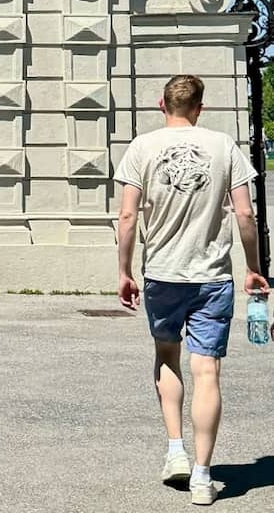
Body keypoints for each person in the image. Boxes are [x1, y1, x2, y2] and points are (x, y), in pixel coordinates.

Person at [115, 74, 270, 506]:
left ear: (161, 105)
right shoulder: (224, 147)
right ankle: (203, 476)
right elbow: (245, 214)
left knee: (167, 357)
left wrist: (124, 271)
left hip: (163, 272)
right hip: (212, 276)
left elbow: (127, 218)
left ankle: (175, 451)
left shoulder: (141, 148)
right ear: (200, 107)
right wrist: (255, 268)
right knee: (208, 372)